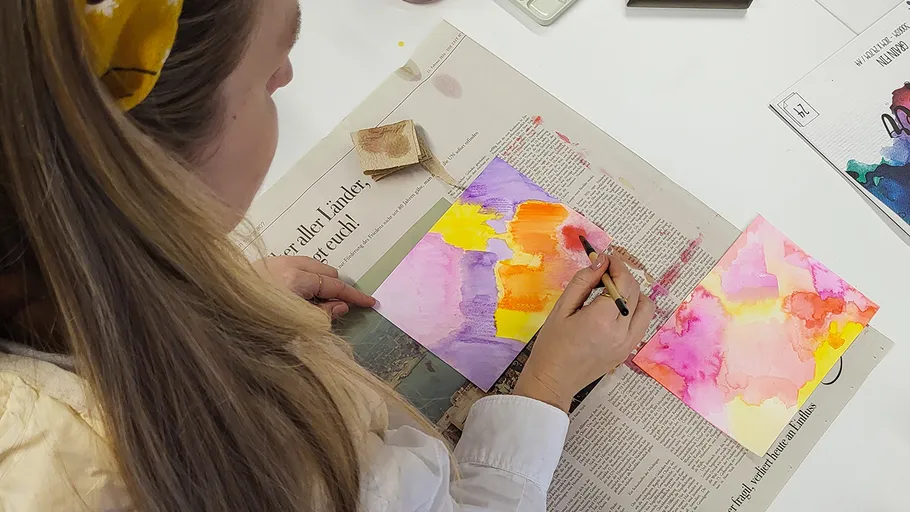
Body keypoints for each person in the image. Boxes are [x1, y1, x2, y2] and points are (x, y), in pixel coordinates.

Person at [0, 0, 655, 510]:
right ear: (140, 164)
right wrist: (547, 388)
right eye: (268, 75)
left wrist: (223, 309)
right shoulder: (245, 456)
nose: (287, 76)